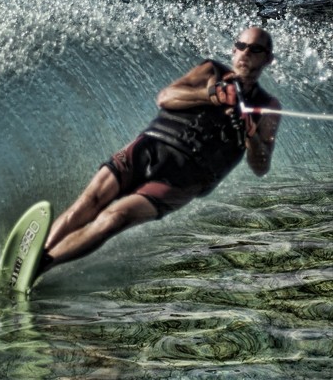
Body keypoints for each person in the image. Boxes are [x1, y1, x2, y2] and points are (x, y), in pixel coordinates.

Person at [37, 27, 280, 276]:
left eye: (255, 49)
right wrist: (212, 95)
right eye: (241, 45)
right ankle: (36, 254)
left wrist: (251, 137)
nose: (245, 52)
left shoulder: (267, 107)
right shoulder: (212, 72)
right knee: (88, 204)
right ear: (233, 49)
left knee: (114, 218)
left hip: (183, 180)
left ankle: (42, 265)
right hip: (148, 149)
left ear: (268, 59)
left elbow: (261, 166)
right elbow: (166, 97)